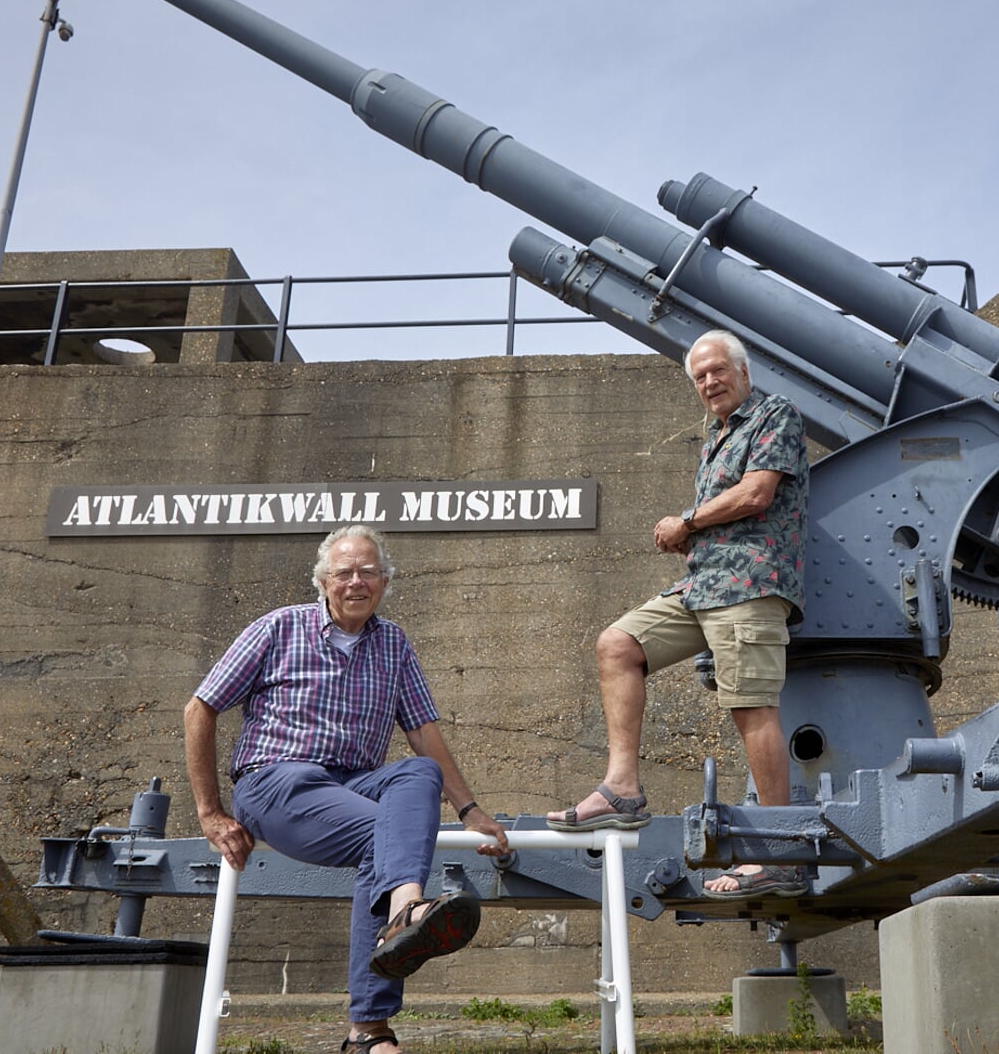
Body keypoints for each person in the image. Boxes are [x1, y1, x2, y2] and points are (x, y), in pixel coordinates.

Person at [186, 524, 509, 1054]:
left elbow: (424, 732)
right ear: (323, 581)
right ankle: (373, 1025)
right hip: (277, 781)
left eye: (368, 572)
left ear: (384, 581)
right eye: (344, 572)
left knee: (418, 775)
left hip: (353, 784)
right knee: (385, 838)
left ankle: (403, 918)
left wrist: (471, 810)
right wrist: (209, 812)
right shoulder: (278, 628)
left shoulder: (394, 643)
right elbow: (201, 707)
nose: (356, 581)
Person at [546, 329, 811, 899]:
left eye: (718, 370)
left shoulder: (774, 415)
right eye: (700, 377)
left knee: (751, 706)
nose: (710, 382)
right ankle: (622, 790)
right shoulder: (715, 436)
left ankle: (779, 853)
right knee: (617, 644)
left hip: (749, 584)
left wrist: (687, 523)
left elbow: (756, 494)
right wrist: (692, 540)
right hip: (702, 585)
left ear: (743, 371)